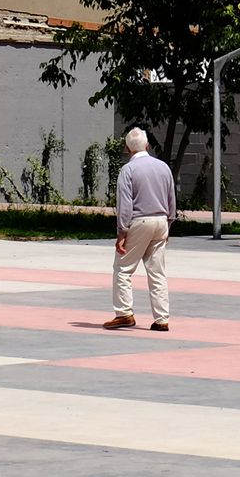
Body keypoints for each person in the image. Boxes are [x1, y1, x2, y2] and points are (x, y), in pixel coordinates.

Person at [105, 127, 177, 331]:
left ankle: (124, 313)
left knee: (123, 269)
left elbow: (125, 204)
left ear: (128, 149)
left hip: (139, 221)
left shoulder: (128, 170)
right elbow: (172, 199)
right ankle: (162, 318)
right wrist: (168, 225)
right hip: (161, 221)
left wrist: (122, 232)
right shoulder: (163, 167)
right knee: (157, 272)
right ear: (147, 145)